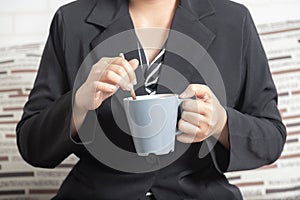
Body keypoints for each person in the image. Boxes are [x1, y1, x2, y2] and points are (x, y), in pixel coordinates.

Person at [16, 0, 286, 199]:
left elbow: (271, 136)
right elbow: (32, 146)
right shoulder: (71, 21)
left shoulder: (233, 21)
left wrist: (221, 124)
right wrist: (79, 102)